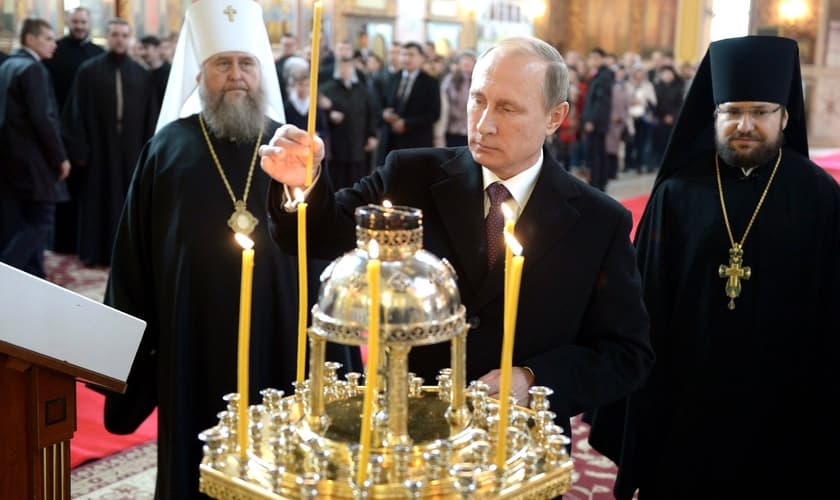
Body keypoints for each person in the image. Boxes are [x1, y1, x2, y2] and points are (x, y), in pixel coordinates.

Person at [260, 36, 653, 443]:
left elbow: (626, 354)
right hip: (407, 430)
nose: (484, 124)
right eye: (478, 100)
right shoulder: (411, 174)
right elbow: (321, 232)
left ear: (555, 117)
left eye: (508, 108)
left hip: (518, 445)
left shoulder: (598, 221)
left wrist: (533, 380)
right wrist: (299, 188)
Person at [100, 1, 359, 498]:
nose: (236, 75)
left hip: (281, 327)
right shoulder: (166, 149)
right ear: (199, 74)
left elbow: (322, 239)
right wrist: (128, 349)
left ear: (261, 74)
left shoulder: (287, 145)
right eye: (223, 64)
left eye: (246, 64)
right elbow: (133, 255)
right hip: (190, 330)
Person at [587, 35, 840, 499]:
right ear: (714, 115)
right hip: (686, 400)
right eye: (732, 112)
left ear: (785, 116)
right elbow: (642, 305)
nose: (745, 124)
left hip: (783, 403)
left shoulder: (820, 197)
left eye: (761, 112)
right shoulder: (677, 194)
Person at [61, 18, 158, 266]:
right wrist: (79, 149)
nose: (119, 39)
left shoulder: (142, 75)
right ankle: (95, 253)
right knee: (97, 200)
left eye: (124, 35)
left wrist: (150, 152)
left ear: (130, 38)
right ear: (107, 37)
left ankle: (125, 254)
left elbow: (151, 117)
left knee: (128, 201)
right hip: (98, 149)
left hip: (131, 150)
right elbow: (75, 113)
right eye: (115, 35)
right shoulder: (88, 70)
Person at [0, 18, 71, 278]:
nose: (54, 44)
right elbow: (43, 119)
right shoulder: (32, 69)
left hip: (11, 162)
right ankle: (5, 273)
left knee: (23, 222)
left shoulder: (8, 64)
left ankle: (35, 282)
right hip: (34, 163)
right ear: (30, 39)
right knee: (41, 222)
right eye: (49, 38)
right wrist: (60, 158)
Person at [43, 6, 104, 255]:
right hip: (59, 132)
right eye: (75, 21)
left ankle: (86, 242)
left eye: (83, 22)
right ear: (68, 22)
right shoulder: (56, 51)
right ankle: (63, 244)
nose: (79, 26)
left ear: (89, 24)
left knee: (89, 192)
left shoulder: (98, 54)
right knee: (63, 192)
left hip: (91, 136)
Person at [319, 54, 378, 189]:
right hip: (336, 145)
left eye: (348, 68)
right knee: (336, 182)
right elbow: (320, 114)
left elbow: (371, 114)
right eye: (342, 68)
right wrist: (329, 113)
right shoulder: (326, 89)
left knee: (357, 182)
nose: (345, 71)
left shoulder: (363, 90)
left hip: (358, 145)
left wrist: (372, 135)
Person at [377, 41, 441, 165]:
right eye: (404, 54)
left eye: (411, 55)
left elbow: (434, 113)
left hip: (416, 141)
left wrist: (406, 123)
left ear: (422, 58)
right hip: (391, 141)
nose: (407, 58)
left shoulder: (430, 82)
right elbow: (382, 104)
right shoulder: (393, 78)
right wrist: (384, 114)